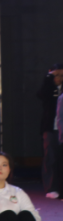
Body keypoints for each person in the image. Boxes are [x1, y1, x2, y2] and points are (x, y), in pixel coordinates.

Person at [37, 64, 63, 198]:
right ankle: (51, 188)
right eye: (56, 75)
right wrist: (49, 78)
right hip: (50, 128)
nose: (59, 78)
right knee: (50, 158)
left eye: (62, 75)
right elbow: (40, 95)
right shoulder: (48, 88)